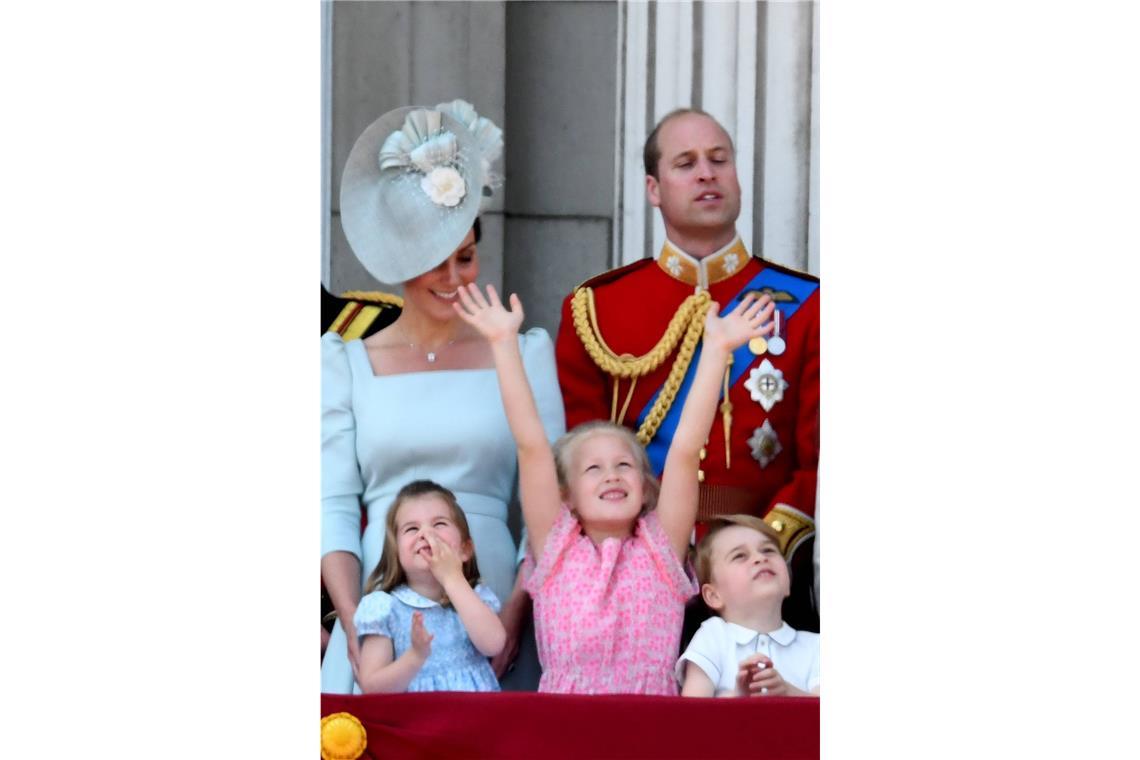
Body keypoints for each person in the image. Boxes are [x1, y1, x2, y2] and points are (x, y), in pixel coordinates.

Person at [322, 100, 566, 694]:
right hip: (378, 600)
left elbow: (549, 498)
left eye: (466, 257)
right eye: (434, 260)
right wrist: (355, 621)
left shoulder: (524, 350)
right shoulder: (343, 360)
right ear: (400, 259)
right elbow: (329, 503)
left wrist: (515, 610)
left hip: (497, 592)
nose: (454, 278)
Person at [554, 107, 820, 633]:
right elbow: (578, 455)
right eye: (687, 163)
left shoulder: (807, 304)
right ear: (653, 189)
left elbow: (818, 458)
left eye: (719, 160)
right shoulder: (597, 308)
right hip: (636, 575)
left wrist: (757, 550)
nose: (707, 173)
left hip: (767, 577)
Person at [454, 280, 774, 695]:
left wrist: (715, 351)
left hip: (649, 733)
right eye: (593, 468)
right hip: (567, 733)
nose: (612, 475)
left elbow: (684, 450)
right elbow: (531, 445)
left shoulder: (661, 547)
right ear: (565, 494)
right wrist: (502, 343)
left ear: (644, 487)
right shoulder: (555, 546)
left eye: (625, 465)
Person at [354, 480, 506, 693]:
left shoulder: (473, 598)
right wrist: (415, 656)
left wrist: (452, 578)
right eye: (412, 528)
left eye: (439, 524)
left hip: (475, 720)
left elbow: (494, 644)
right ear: (396, 553)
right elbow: (372, 687)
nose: (426, 534)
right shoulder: (384, 607)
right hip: (417, 721)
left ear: (465, 549)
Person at [677, 514, 819, 697]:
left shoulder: (816, 646)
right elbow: (691, 713)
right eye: (740, 556)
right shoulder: (712, 637)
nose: (760, 558)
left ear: (788, 581)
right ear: (713, 596)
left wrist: (787, 693)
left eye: (768, 550)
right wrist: (739, 697)